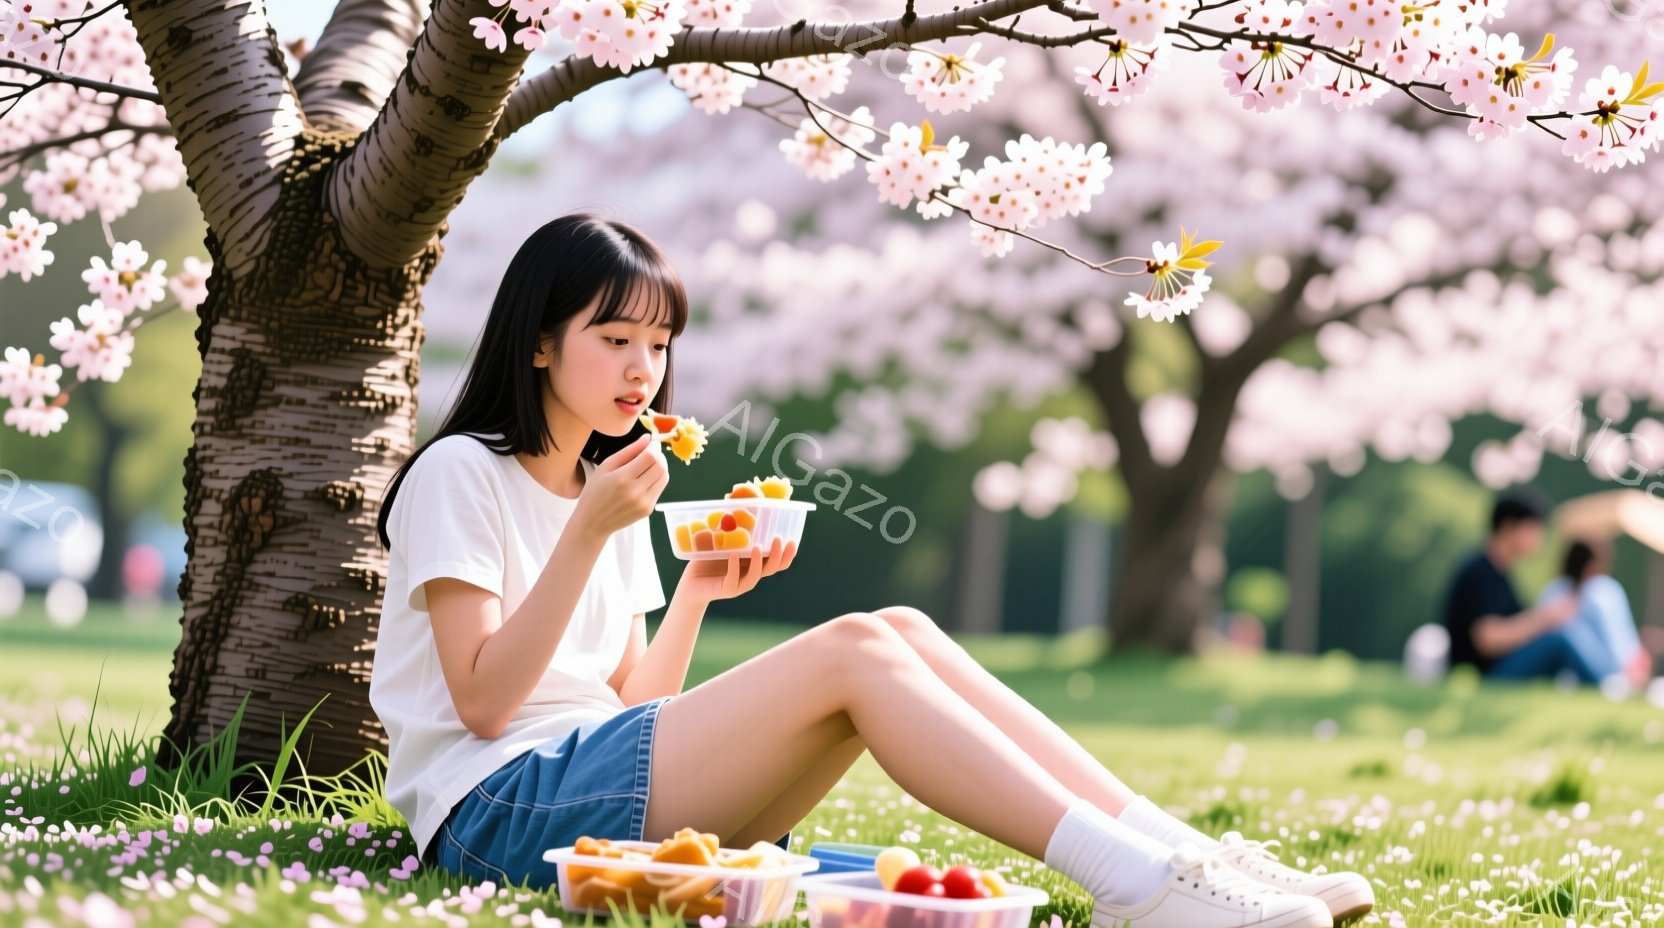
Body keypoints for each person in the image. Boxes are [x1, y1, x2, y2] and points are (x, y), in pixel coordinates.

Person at [369, 213, 1373, 928]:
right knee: (855, 646)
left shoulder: (610, 482)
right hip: (494, 814)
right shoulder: (462, 474)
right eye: (615, 338)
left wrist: (695, 593)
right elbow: (489, 704)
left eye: (660, 342)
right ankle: (1135, 884)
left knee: (898, 629)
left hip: (590, 786)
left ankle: (1182, 856)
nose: (644, 369)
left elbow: (635, 703)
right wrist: (588, 531)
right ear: (541, 345)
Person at [1441, 492, 1609, 684]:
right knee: (1562, 639)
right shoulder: (1478, 572)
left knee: (1562, 634)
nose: (1539, 538)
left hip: (1498, 666)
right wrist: (1544, 618)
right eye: (1533, 529)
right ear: (1508, 528)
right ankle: (1608, 685)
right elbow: (1487, 639)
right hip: (1485, 672)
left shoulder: (1501, 573)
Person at [1536, 539, 1653, 691]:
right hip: (1609, 671)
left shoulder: (1553, 590)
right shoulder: (1603, 591)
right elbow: (1620, 641)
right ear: (1593, 564)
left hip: (1570, 673)